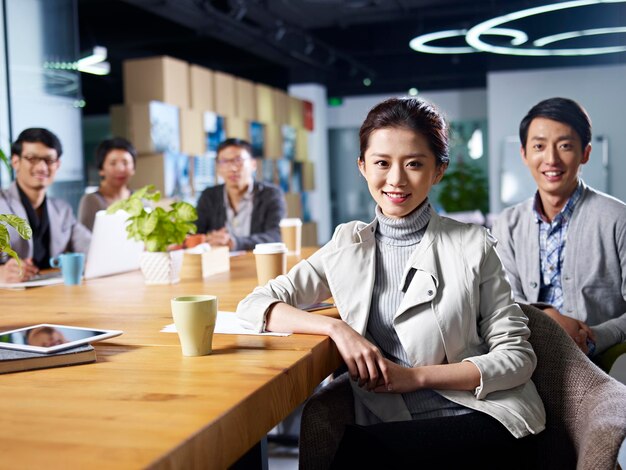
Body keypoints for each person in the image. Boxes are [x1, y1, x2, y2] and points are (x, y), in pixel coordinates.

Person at [236, 98, 545, 467]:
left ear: (438, 170)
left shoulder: (473, 245)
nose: (396, 180)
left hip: (483, 417)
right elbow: (254, 305)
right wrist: (336, 329)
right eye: (382, 163)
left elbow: (518, 358)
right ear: (362, 167)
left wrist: (414, 378)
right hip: (394, 422)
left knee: (358, 455)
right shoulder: (346, 244)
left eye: (414, 164)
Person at [492, 97, 626, 359]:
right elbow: (502, 303)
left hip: (602, 360)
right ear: (524, 154)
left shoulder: (618, 219)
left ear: (585, 153)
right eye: (539, 146)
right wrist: (548, 317)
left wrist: (595, 336)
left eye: (565, 146)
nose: (551, 159)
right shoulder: (507, 225)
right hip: (527, 358)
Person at [0, 128, 91, 283]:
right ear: (15, 161)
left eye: (49, 160)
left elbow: (91, 249)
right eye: (32, 158)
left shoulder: (62, 210)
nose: (42, 167)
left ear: (58, 164)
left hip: (52, 294)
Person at [195, 138, 286, 251]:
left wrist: (234, 243)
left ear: (253, 164)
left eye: (238, 160)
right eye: (224, 162)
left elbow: (275, 236)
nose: (232, 168)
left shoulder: (271, 194)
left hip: (257, 263)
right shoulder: (209, 196)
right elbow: (196, 232)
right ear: (218, 168)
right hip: (219, 264)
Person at [77, 137, 136, 231]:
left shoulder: (142, 200)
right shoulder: (92, 201)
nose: (120, 169)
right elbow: (85, 238)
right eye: (113, 163)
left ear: (133, 168)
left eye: (125, 163)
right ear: (101, 169)